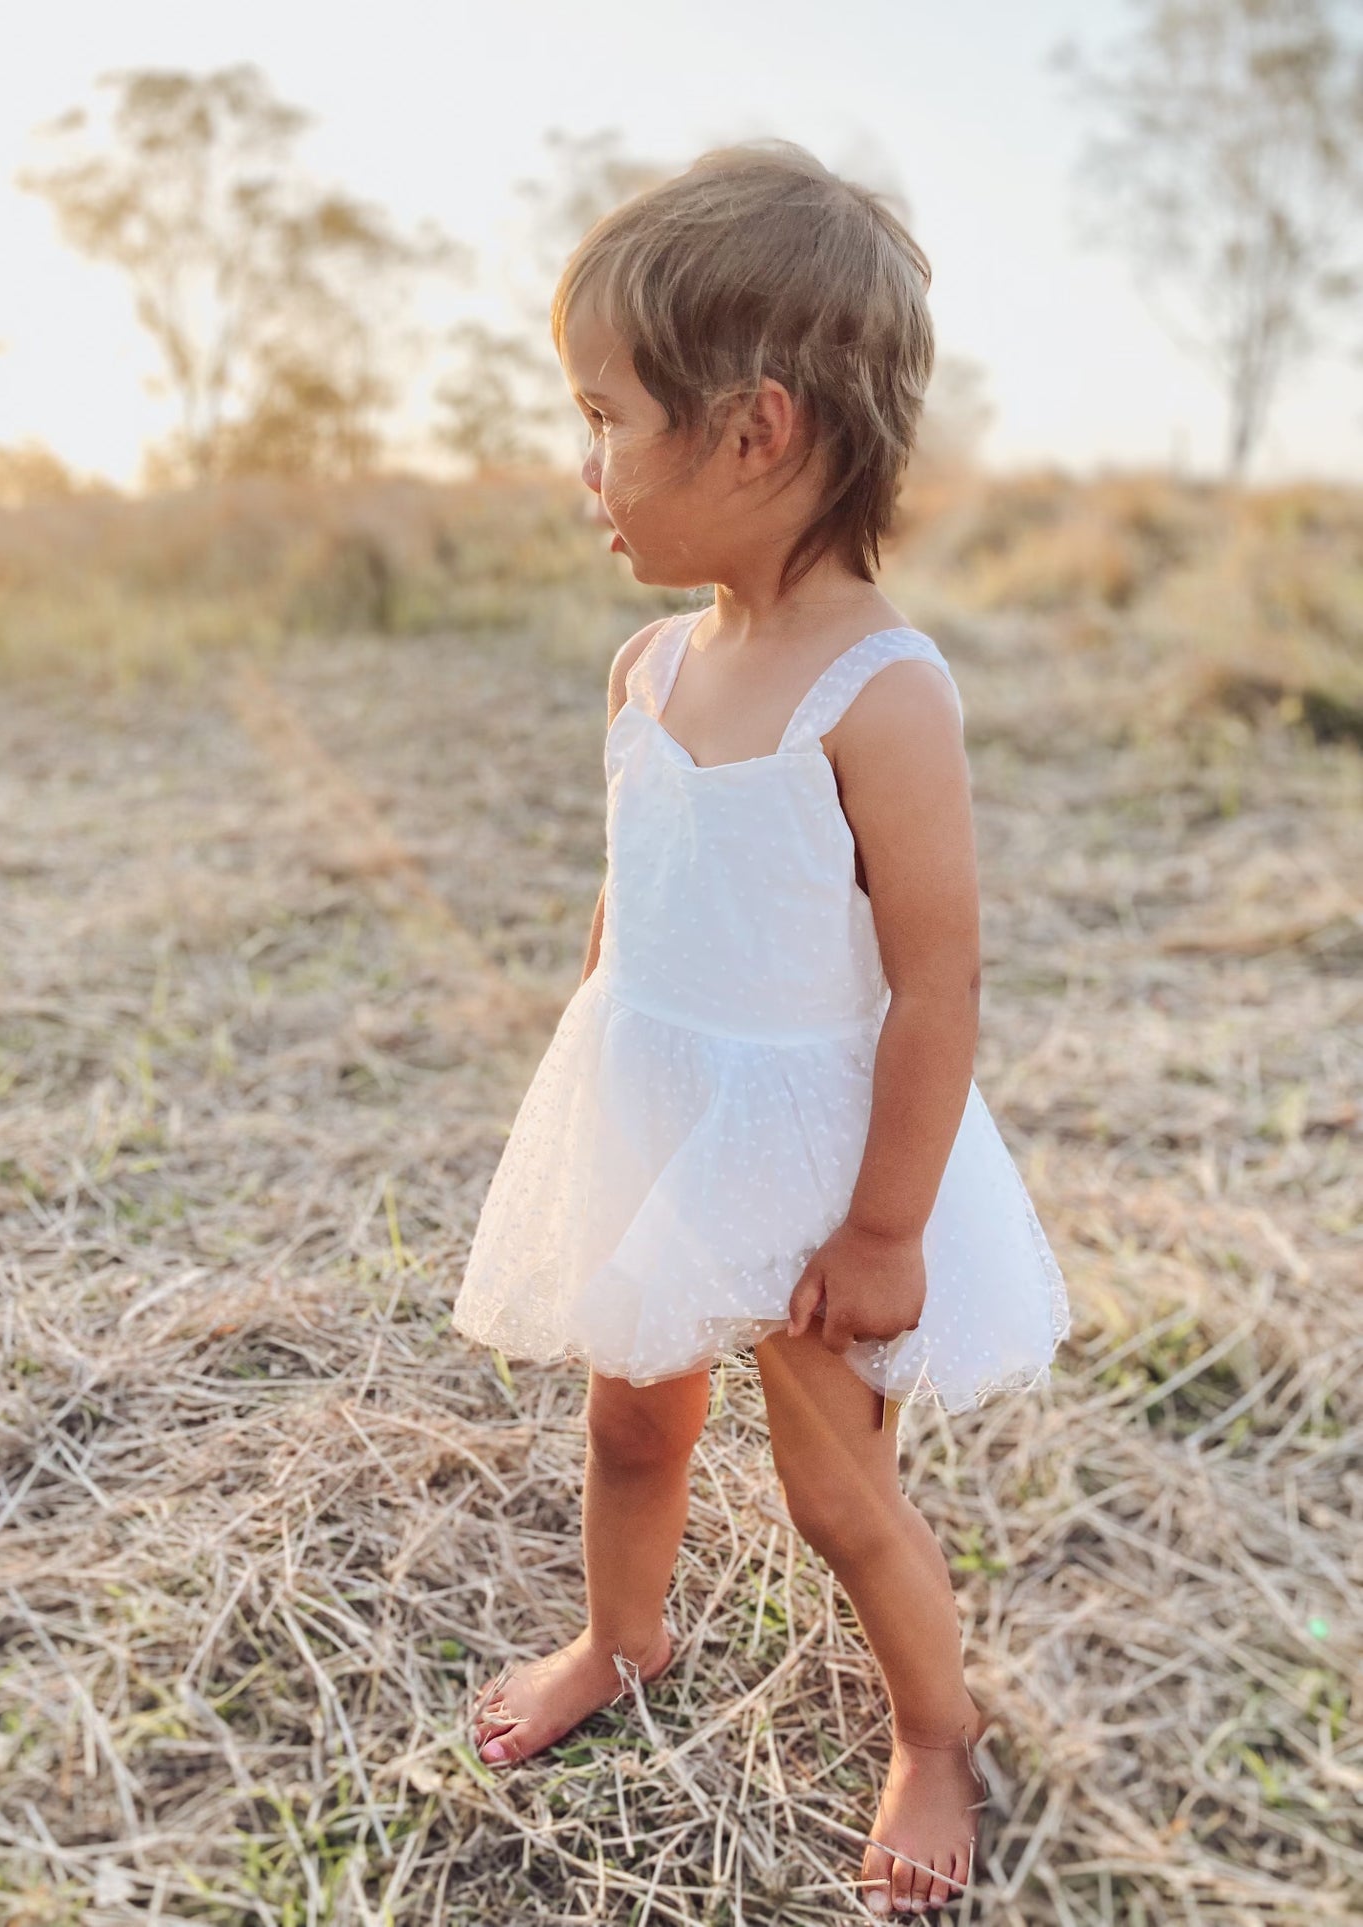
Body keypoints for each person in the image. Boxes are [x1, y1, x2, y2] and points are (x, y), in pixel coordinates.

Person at [450, 138, 1071, 1918]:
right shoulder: (649, 667)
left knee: (833, 1492)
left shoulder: (883, 690)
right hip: (658, 1104)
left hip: (811, 1163)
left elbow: (936, 984)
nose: (583, 470)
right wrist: (591, 1063)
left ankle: (934, 1731)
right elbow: (628, 897)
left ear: (755, 431)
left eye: (603, 418)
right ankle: (620, 1638)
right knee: (632, 1421)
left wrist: (883, 1227)